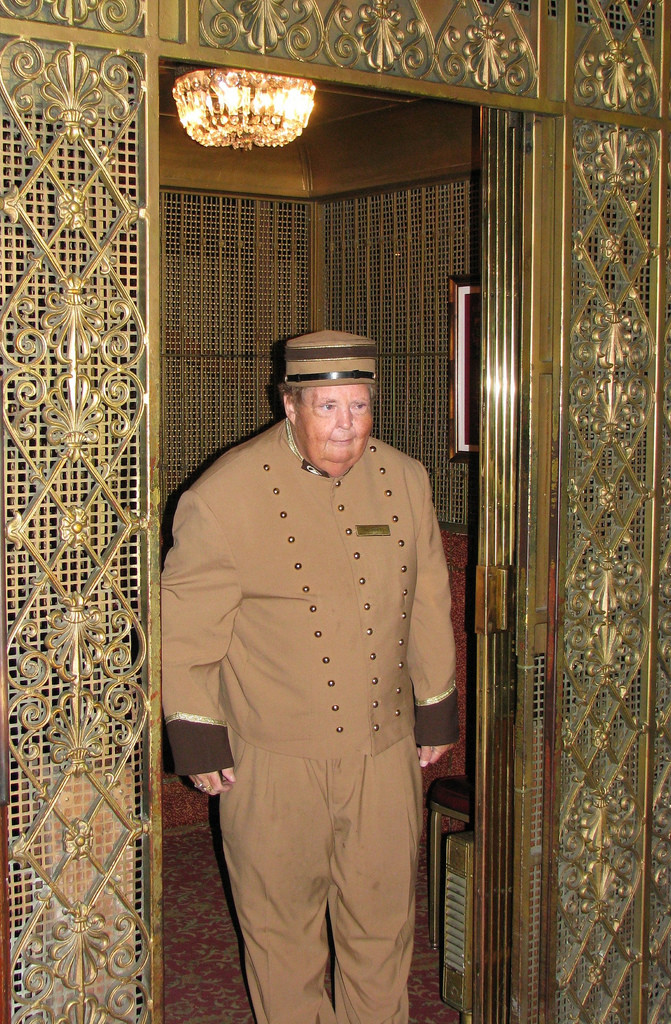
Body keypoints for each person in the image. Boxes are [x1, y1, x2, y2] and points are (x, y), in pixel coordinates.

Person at [162, 330, 458, 1024]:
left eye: (358, 407)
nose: (345, 427)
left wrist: (433, 713)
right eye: (327, 407)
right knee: (281, 933)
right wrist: (200, 740)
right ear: (289, 404)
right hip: (270, 758)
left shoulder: (406, 479)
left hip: (381, 751)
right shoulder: (223, 493)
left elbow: (427, 603)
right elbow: (185, 630)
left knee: (382, 927)